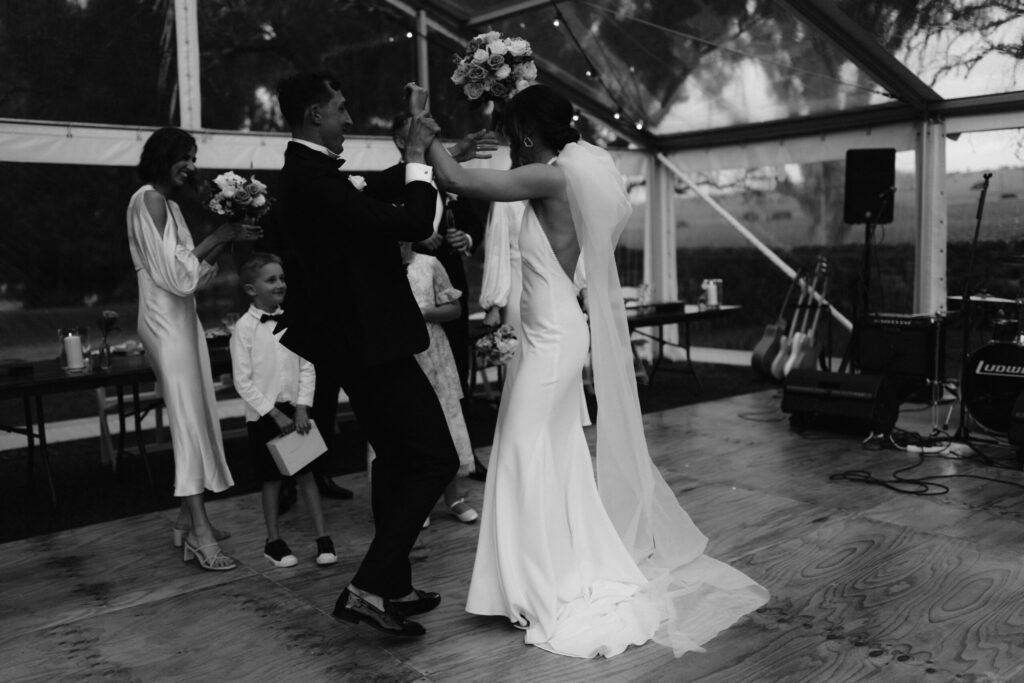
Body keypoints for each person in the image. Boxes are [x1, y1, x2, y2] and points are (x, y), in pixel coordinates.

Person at [418, 84, 770, 658]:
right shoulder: (563, 175)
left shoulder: (553, 177)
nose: (509, 146)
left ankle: (543, 587)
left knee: (523, 453)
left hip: (554, 338)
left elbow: (459, 181)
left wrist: (423, 137)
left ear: (528, 136)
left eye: (511, 136)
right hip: (543, 336)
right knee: (550, 454)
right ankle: (541, 575)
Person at [273, 72, 459, 638]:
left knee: (400, 462)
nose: (349, 120)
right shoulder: (312, 181)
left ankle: (394, 585)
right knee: (435, 459)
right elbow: (414, 222)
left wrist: (425, 160)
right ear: (313, 115)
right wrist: (416, 156)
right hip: (369, 344)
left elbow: (369, 187)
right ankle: (369, 587)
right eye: (340, 109)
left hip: (359, 343)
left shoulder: (311, 175)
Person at [127, 127, 260, 571]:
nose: (191, 165)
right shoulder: (147, 199)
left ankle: (186, 522)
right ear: (162, 157)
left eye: (193, 157)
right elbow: (178, 274)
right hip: (164, 320)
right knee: (186, 418)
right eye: (184, 156)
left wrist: (218, 245)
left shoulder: (171, 205)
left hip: (181, 316)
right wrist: (221, 237)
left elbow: (192, 275)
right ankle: (201, 534)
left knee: (198, 410)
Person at [230, 252, 338, 569]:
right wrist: (273, 414)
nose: (280, 284)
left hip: (296, 411)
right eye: (271, 279)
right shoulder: (244, 329)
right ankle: (273, 541)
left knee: (307, 476)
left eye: (281, 278)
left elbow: (308, 366)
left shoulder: (294, 320)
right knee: (271, 480)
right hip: (264, 416)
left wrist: (303, 406)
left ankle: (322, 538)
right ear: (251, 289)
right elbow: (242, 381)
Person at [399, 241, 479, 526]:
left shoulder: (429, 264)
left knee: (444, 420)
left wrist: (425, 313)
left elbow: (455, 309)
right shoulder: (378, 263)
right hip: (401, 353)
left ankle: (453, 497)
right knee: (411, 425)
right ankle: (418, 499)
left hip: (434, 352)